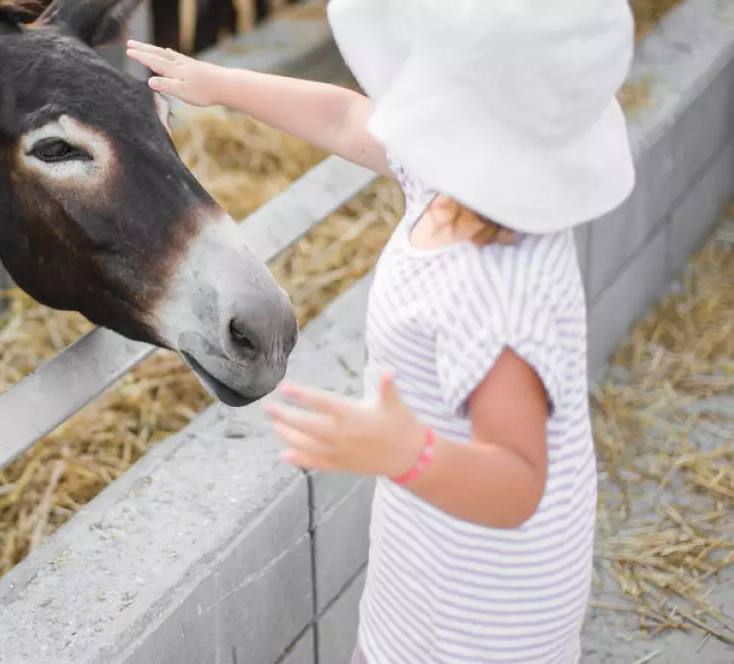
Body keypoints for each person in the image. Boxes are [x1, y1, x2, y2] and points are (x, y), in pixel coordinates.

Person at [127, 1, 636, 662]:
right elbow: (344, 117)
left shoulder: (498, 286)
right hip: (435, 544)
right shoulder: (456, 181)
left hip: (487, 618)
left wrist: (407, 452)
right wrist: (221, 87)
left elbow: (517, 482)